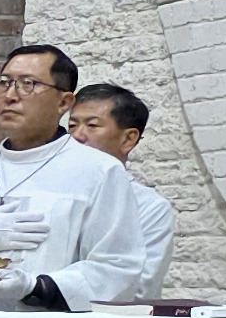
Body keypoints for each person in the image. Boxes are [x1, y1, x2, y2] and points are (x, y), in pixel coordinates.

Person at [0, 46, 172, 308]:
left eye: (28, 84)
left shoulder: (99, 172)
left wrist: (36, 287)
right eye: (4, 82)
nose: (10, 95)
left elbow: (117, 268)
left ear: (64, 103)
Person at [65, 84, 177, 285]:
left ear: (128, 139)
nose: (77, 136)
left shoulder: (149, 208)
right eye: (72, 125)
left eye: (92, 126)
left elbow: (138, 285)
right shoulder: (54, 192)